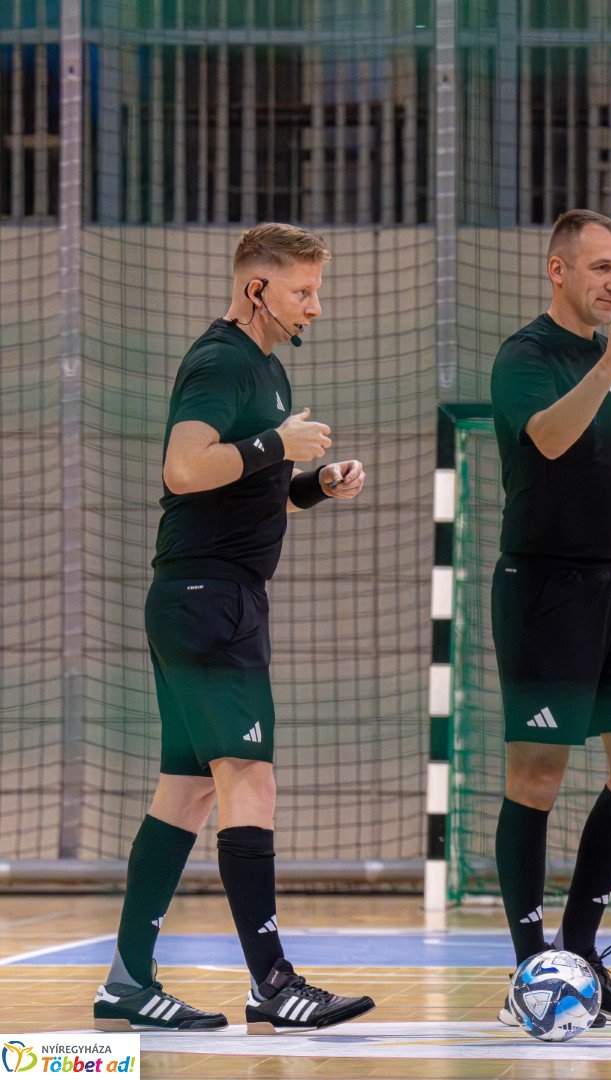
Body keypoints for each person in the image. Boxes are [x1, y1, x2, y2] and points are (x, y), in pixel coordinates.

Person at [93, 222, 375, 1034]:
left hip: (211, 597)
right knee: (249, 779)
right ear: (257, 289)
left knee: (183, 796)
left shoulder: (270, 371)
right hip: (207, 599)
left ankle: (126, 981)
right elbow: (183, 470)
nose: (315, 307)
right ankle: (272, 983)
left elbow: (246, 487)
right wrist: (274, 443)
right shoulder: (221, 361)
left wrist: (314, 481)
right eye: (302, 291)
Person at [488, 209, 611, 1028]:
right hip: (545, 589)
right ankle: (532, 964)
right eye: (601, 267)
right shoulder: (525, 357)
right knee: (537, 776)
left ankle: (580, 947)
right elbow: (553, 440)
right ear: (558, 270)